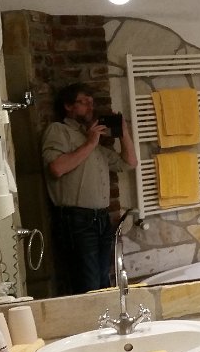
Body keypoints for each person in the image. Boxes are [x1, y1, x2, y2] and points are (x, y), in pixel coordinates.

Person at [42, 83, 137, 294]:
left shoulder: (92, 140)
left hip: (100, 219)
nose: (90, 107)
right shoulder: (59, 131)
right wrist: (91, 143)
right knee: (88, 284)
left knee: (103, 281)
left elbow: (129, 163)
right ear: (68, 106)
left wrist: (123, 133)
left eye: (91, 103)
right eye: (84, 102)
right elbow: (57, 168)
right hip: (76, 220)